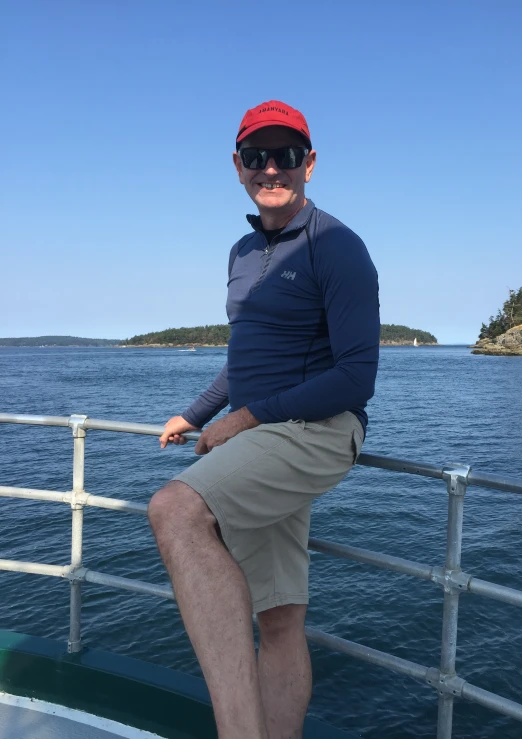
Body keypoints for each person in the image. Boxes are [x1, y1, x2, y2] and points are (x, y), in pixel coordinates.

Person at [148, 100, 380, 739]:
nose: (270, 167)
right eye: (256, 155)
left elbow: (357, 377)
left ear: (309, 163)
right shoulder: (242, 251)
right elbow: (244, 358)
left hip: (320, 429)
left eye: (285, 154)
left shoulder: (337, 245)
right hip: (263, 433)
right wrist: (195, 414)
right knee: (278, 619)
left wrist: (245, 418)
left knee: (176, 511)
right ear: (237, 166)